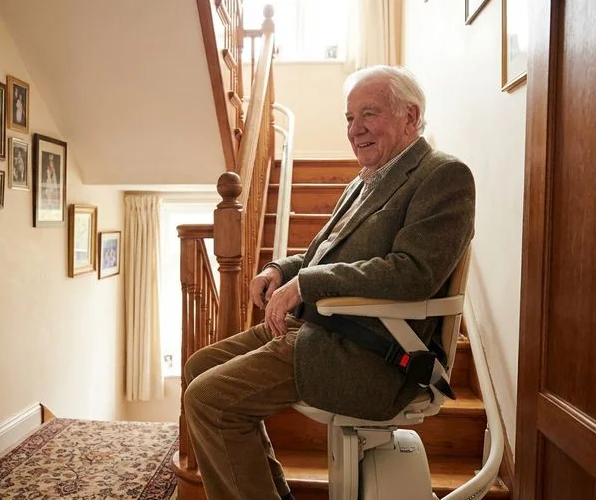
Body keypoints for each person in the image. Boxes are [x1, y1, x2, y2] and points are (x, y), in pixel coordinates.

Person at [182, 65, 476, 500]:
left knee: (210, 399)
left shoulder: (442, 175)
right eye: (350, 118)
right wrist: (280, 270)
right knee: (199, 367)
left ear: (410, 117)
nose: (355, 129)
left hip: (369, 349)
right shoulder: (367, 179)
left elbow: (414, 272)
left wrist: (307, 284)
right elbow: (324, 254)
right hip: (320, 328)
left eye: (369, 114)